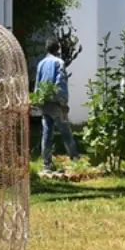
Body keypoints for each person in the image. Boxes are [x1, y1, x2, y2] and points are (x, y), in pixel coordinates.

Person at [35, 39, 80, 172]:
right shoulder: (58, 62)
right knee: (65, 131)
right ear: (57, 49)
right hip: (56, 102)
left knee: (47, 133)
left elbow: (38, 83)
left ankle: (46, 164)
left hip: (44, 102)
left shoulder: (41, 63)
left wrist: (38, 100)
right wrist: (63, 102)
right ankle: (74, 158)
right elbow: (60, 82)